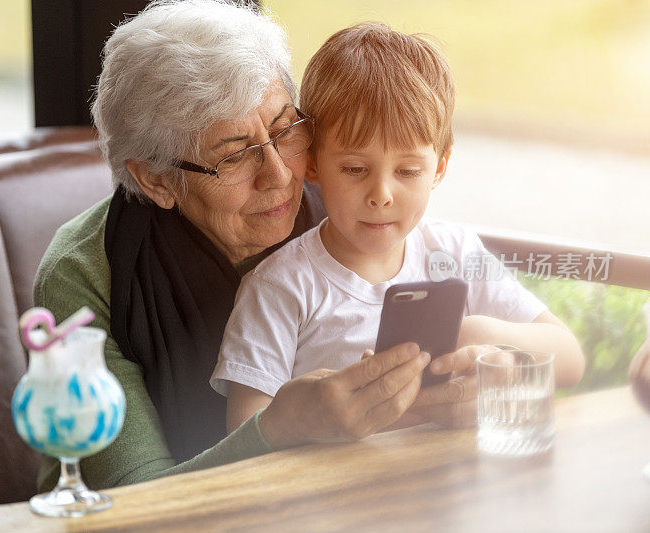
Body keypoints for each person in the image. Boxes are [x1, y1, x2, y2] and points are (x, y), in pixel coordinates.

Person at [36, 0, 462, 490]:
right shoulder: (83, 274)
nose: (282, 177)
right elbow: (139, 494)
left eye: (286, 130)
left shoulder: (350, 213)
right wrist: (279, 427)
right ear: (156, 179)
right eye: (235, 156)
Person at [211, 23, 586, 433]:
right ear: (313, 163)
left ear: (438, 168)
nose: (382, 195)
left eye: (408, 171)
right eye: (355, 169)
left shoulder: (454, 252)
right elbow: (242, 438)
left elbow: (570, 358)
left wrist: (491, 343)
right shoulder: (280, 287)